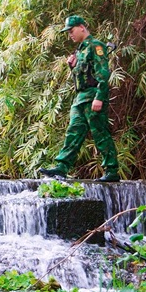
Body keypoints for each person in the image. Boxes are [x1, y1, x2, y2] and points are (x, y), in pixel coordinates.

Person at [40, 15, 120, 182]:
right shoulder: (80, 50)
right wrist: (72, 66)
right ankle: (62, 166)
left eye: (71, 30)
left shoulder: (95, 45)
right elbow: (82, 75)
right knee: (73, 132)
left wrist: (99, 97)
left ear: (82, 27)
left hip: (93, 96)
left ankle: (111, 169)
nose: (70, 34)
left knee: (100, 133)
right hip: (80, 98)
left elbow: (103, 73)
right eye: (68, 31)